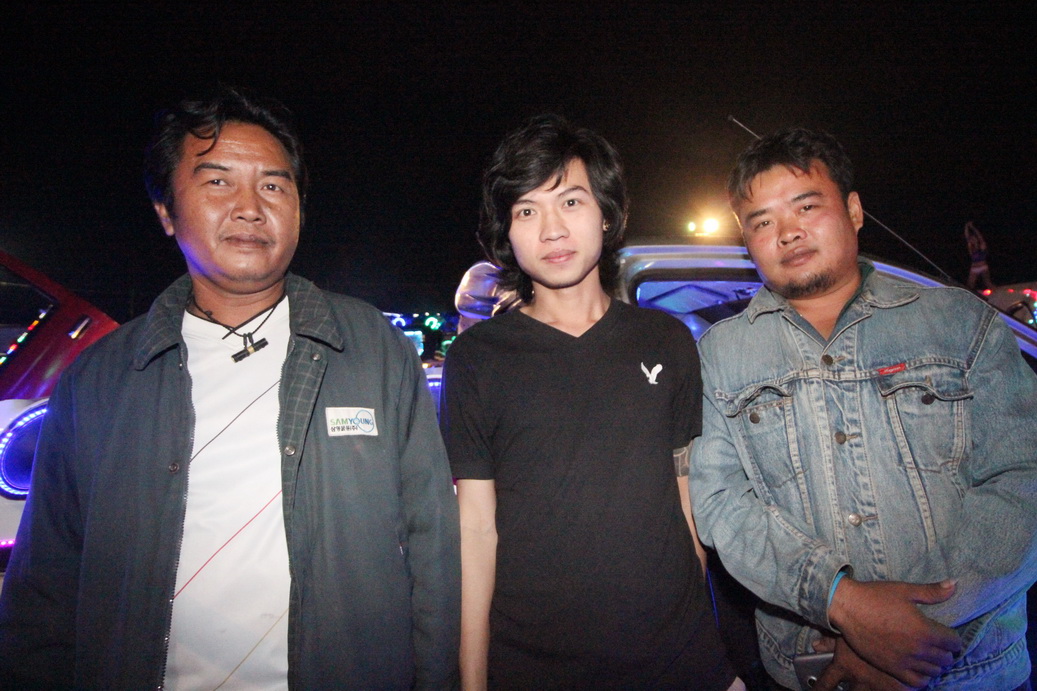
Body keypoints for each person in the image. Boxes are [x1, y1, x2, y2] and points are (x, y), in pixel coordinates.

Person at [0, 88, 460, 689]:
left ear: (299, 208)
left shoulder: (373, 349)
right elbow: (47, 580)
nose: (250, 207)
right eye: (218, 182)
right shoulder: (100, 380)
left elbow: (431, 543)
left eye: (273, 185)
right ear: (166, 212)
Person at [691, 127, 1037, 690]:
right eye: (762, 222)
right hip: (811, 670)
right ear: (746, 239)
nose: (788, 232)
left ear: (853, 210)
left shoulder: (958, 323)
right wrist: (842, 603)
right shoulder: (721, 355)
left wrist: (914, 628)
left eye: (806, 206)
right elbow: (723, 503)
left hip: (972, 672)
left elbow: (1023, 478)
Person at [440, 114, 742, 690]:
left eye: (571, 202)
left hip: (678, 661)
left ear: (605, 213)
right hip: (533, 666)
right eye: (527, 211)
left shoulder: (667, 341)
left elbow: (687, 503)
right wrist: (473, 681)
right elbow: (475, 529)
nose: (552, 230)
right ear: (508, 233)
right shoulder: (477, 358)